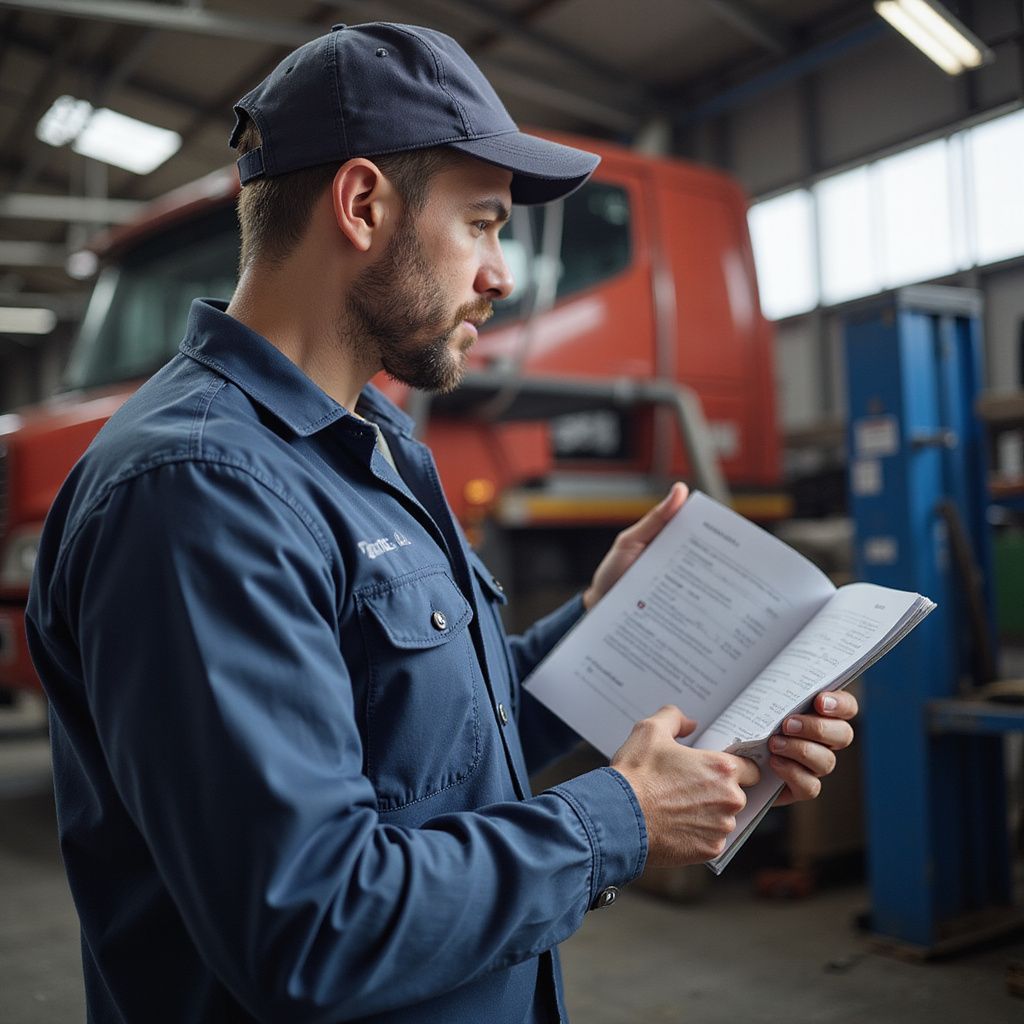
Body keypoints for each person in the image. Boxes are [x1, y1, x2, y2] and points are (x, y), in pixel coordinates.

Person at [26, 22, 857, 1024]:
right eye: (483, 223)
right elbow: (310, 925)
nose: (501, 277)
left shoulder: (367, 439)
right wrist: (620, 818)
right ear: (364, 203)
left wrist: (611, 625)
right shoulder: (198, 489)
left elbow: (430, 732)